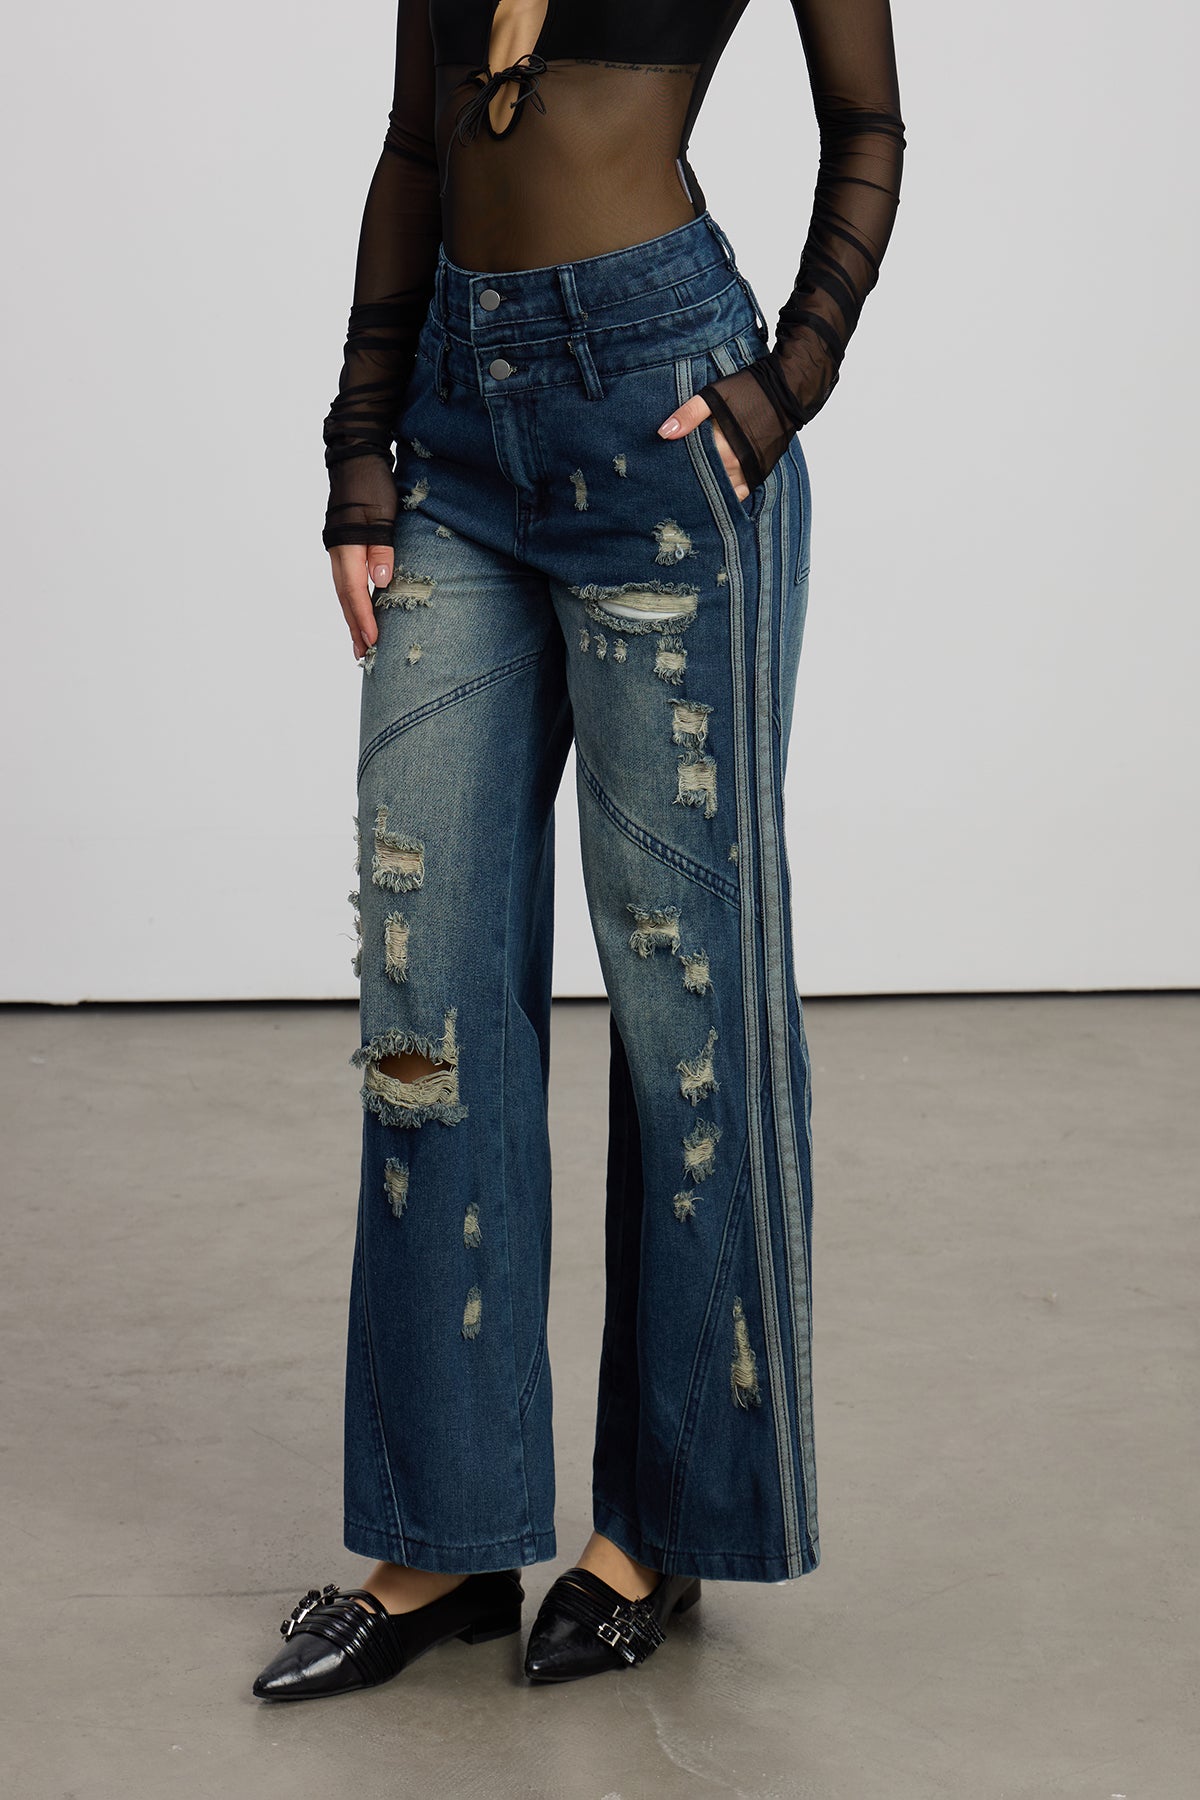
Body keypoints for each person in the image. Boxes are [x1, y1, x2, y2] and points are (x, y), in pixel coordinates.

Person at [253, 0, 904, 1698]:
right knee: (424, 996)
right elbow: (419, 143)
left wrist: (789, 383)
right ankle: (444, 1538)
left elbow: (869, 126)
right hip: (457, 430)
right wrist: (358, 441)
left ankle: (663, 1526)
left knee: (687, 1007)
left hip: (660, 413)